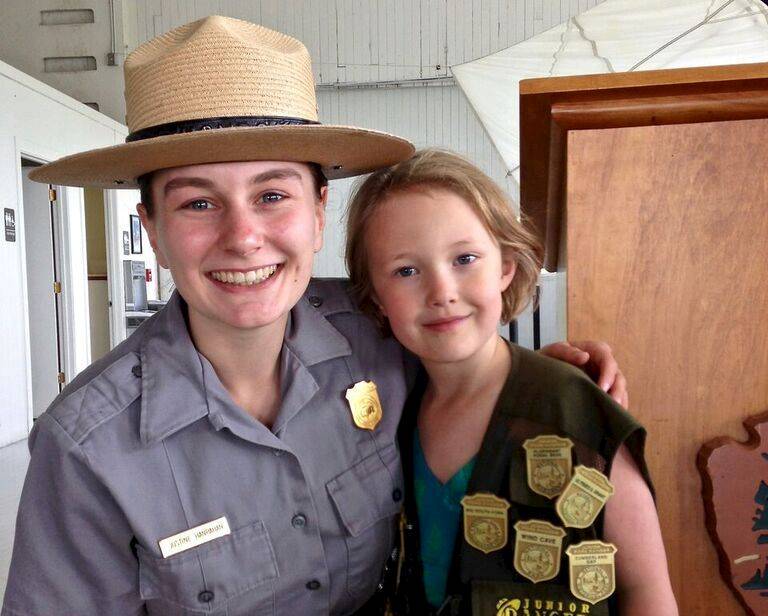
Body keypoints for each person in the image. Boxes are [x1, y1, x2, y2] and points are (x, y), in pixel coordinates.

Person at [3, 17, 627, 616]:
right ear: (154, 233)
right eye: (198, 203)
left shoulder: (379, 332)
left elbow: (466, 362)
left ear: (319, 211)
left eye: (272, 196)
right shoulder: (88, 447)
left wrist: (543, 383)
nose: (244, 238)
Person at [345, 149, 678, 615]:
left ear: (506, 266)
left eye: (464, 258)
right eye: (406, 271)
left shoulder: (575, 405)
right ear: (376, 297)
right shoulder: (388, 407)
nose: (442, 292)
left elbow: (646, 589)